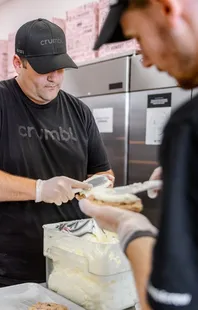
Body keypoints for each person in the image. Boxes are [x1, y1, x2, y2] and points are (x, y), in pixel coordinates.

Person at [0, 18, 114, 292]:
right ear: (18, 63)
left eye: (60, 69)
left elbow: (103, 171)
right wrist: (39, 189)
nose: (54, 78)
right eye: (44, 69)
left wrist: (98, 188)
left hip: (68, 262)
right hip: (1, 268)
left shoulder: (79, 112)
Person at [79, 0, 198, 309]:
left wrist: (130, 229)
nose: (143, 61)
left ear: (167, 9)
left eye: (139, 38)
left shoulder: (188, 124)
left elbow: (169, 302)